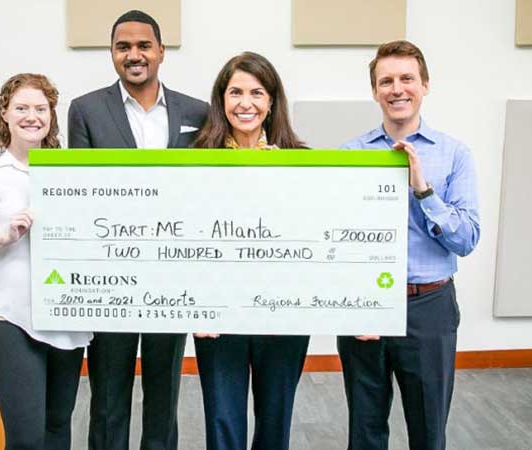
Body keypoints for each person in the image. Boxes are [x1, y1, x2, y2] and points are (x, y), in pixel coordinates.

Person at [68, 10, 207, 450]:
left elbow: (208, 192)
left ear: (161, 52)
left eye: (143, 45)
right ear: (112, 54)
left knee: (164, 393)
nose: (134, 55)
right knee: (108, 394)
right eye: (123, 46)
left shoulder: (198, 112)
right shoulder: (86, 110)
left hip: (173, 274)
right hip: (111, 277)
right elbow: (82, 195)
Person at [336, 40, 480, 450]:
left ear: (425, 85)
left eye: (406, 79)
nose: (396, 89)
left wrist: (423, 190)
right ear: (375, 91)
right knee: (364, 429)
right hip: (365, 309)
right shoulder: (351, 155)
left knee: (428, 429)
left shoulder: (455, 155)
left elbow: (467, 238)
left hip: (428, 307)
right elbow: (338, 238)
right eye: (386, 81)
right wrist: (353, 301)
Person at [0, 73, 91, 450]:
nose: (32, 116)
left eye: (41, 108)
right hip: (11, 320)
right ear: (5, 114)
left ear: (51, 115)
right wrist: (1, 239)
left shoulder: (70, 172)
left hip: (66, 317)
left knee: (58, 428)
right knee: (26, 439)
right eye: (22, 108)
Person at [191, 52, 309, 450]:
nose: (246, 103)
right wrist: (193, 305)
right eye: (236, 92)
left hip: (283, 316)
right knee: (223, 421)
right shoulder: (195, 161)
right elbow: (182, 239)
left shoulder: (304, 164)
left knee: (275, 422)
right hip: (218, 314)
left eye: (257, 93)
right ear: (221, 99)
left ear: (272, 101)